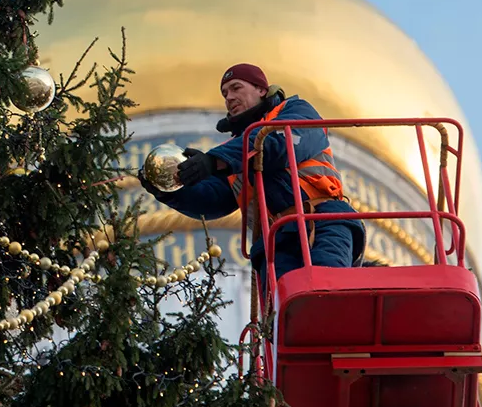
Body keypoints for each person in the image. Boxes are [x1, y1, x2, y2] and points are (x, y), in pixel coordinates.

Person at [139, 63, 365, 282]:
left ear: (261, 89)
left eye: (236, 88)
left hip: (323, 222)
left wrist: (213, 161)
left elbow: (278, 144)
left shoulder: (295, 112)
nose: (229, 97)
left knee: (325, 290)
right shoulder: (236, 157)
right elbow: (213, 199)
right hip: (276, 243)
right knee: (283, 311)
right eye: (225, 93)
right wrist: (171, 189)